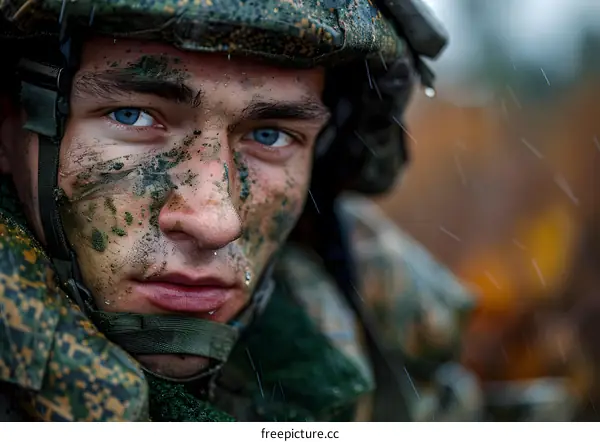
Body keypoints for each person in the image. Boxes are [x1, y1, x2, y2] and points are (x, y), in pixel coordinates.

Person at [0, 0, 481, 421]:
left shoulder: (379, 331)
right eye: (134, 116)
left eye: (269, 135)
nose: (215, 221)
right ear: (9, 125)